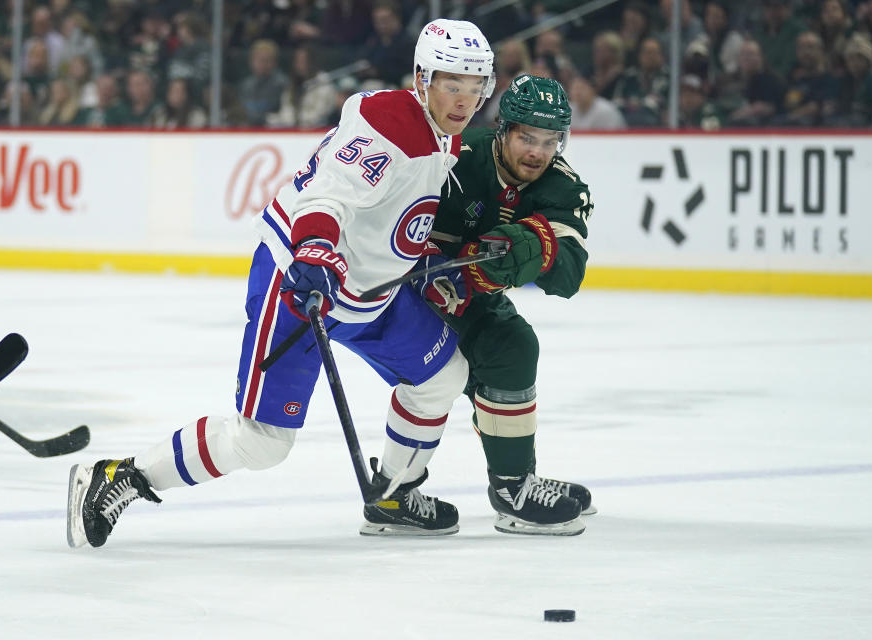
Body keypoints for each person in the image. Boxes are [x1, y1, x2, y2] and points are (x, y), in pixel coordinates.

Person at [66, 18, 496, 548]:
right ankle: (123, 476)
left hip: (367, 292)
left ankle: (394, 495)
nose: (465, 100)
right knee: (262, 443)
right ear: (423, 79)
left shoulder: (444, 136)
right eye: (453, 84)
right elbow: (328, 194)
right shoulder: (391, 123)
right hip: (302, 279)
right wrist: (315, 250)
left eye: (476, 87)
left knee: (442, 377)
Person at [428, 74, 595, 536]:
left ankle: (515, 483)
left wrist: (528, 245)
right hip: (410, 296)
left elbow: (569, 274)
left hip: (470, 300)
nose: (537, 152)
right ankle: (397, 494)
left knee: (511, 348)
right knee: (470, 365)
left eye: (549, 140)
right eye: (527, 137)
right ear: (503, 129)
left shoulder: (562, 188)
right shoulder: (456, 158)